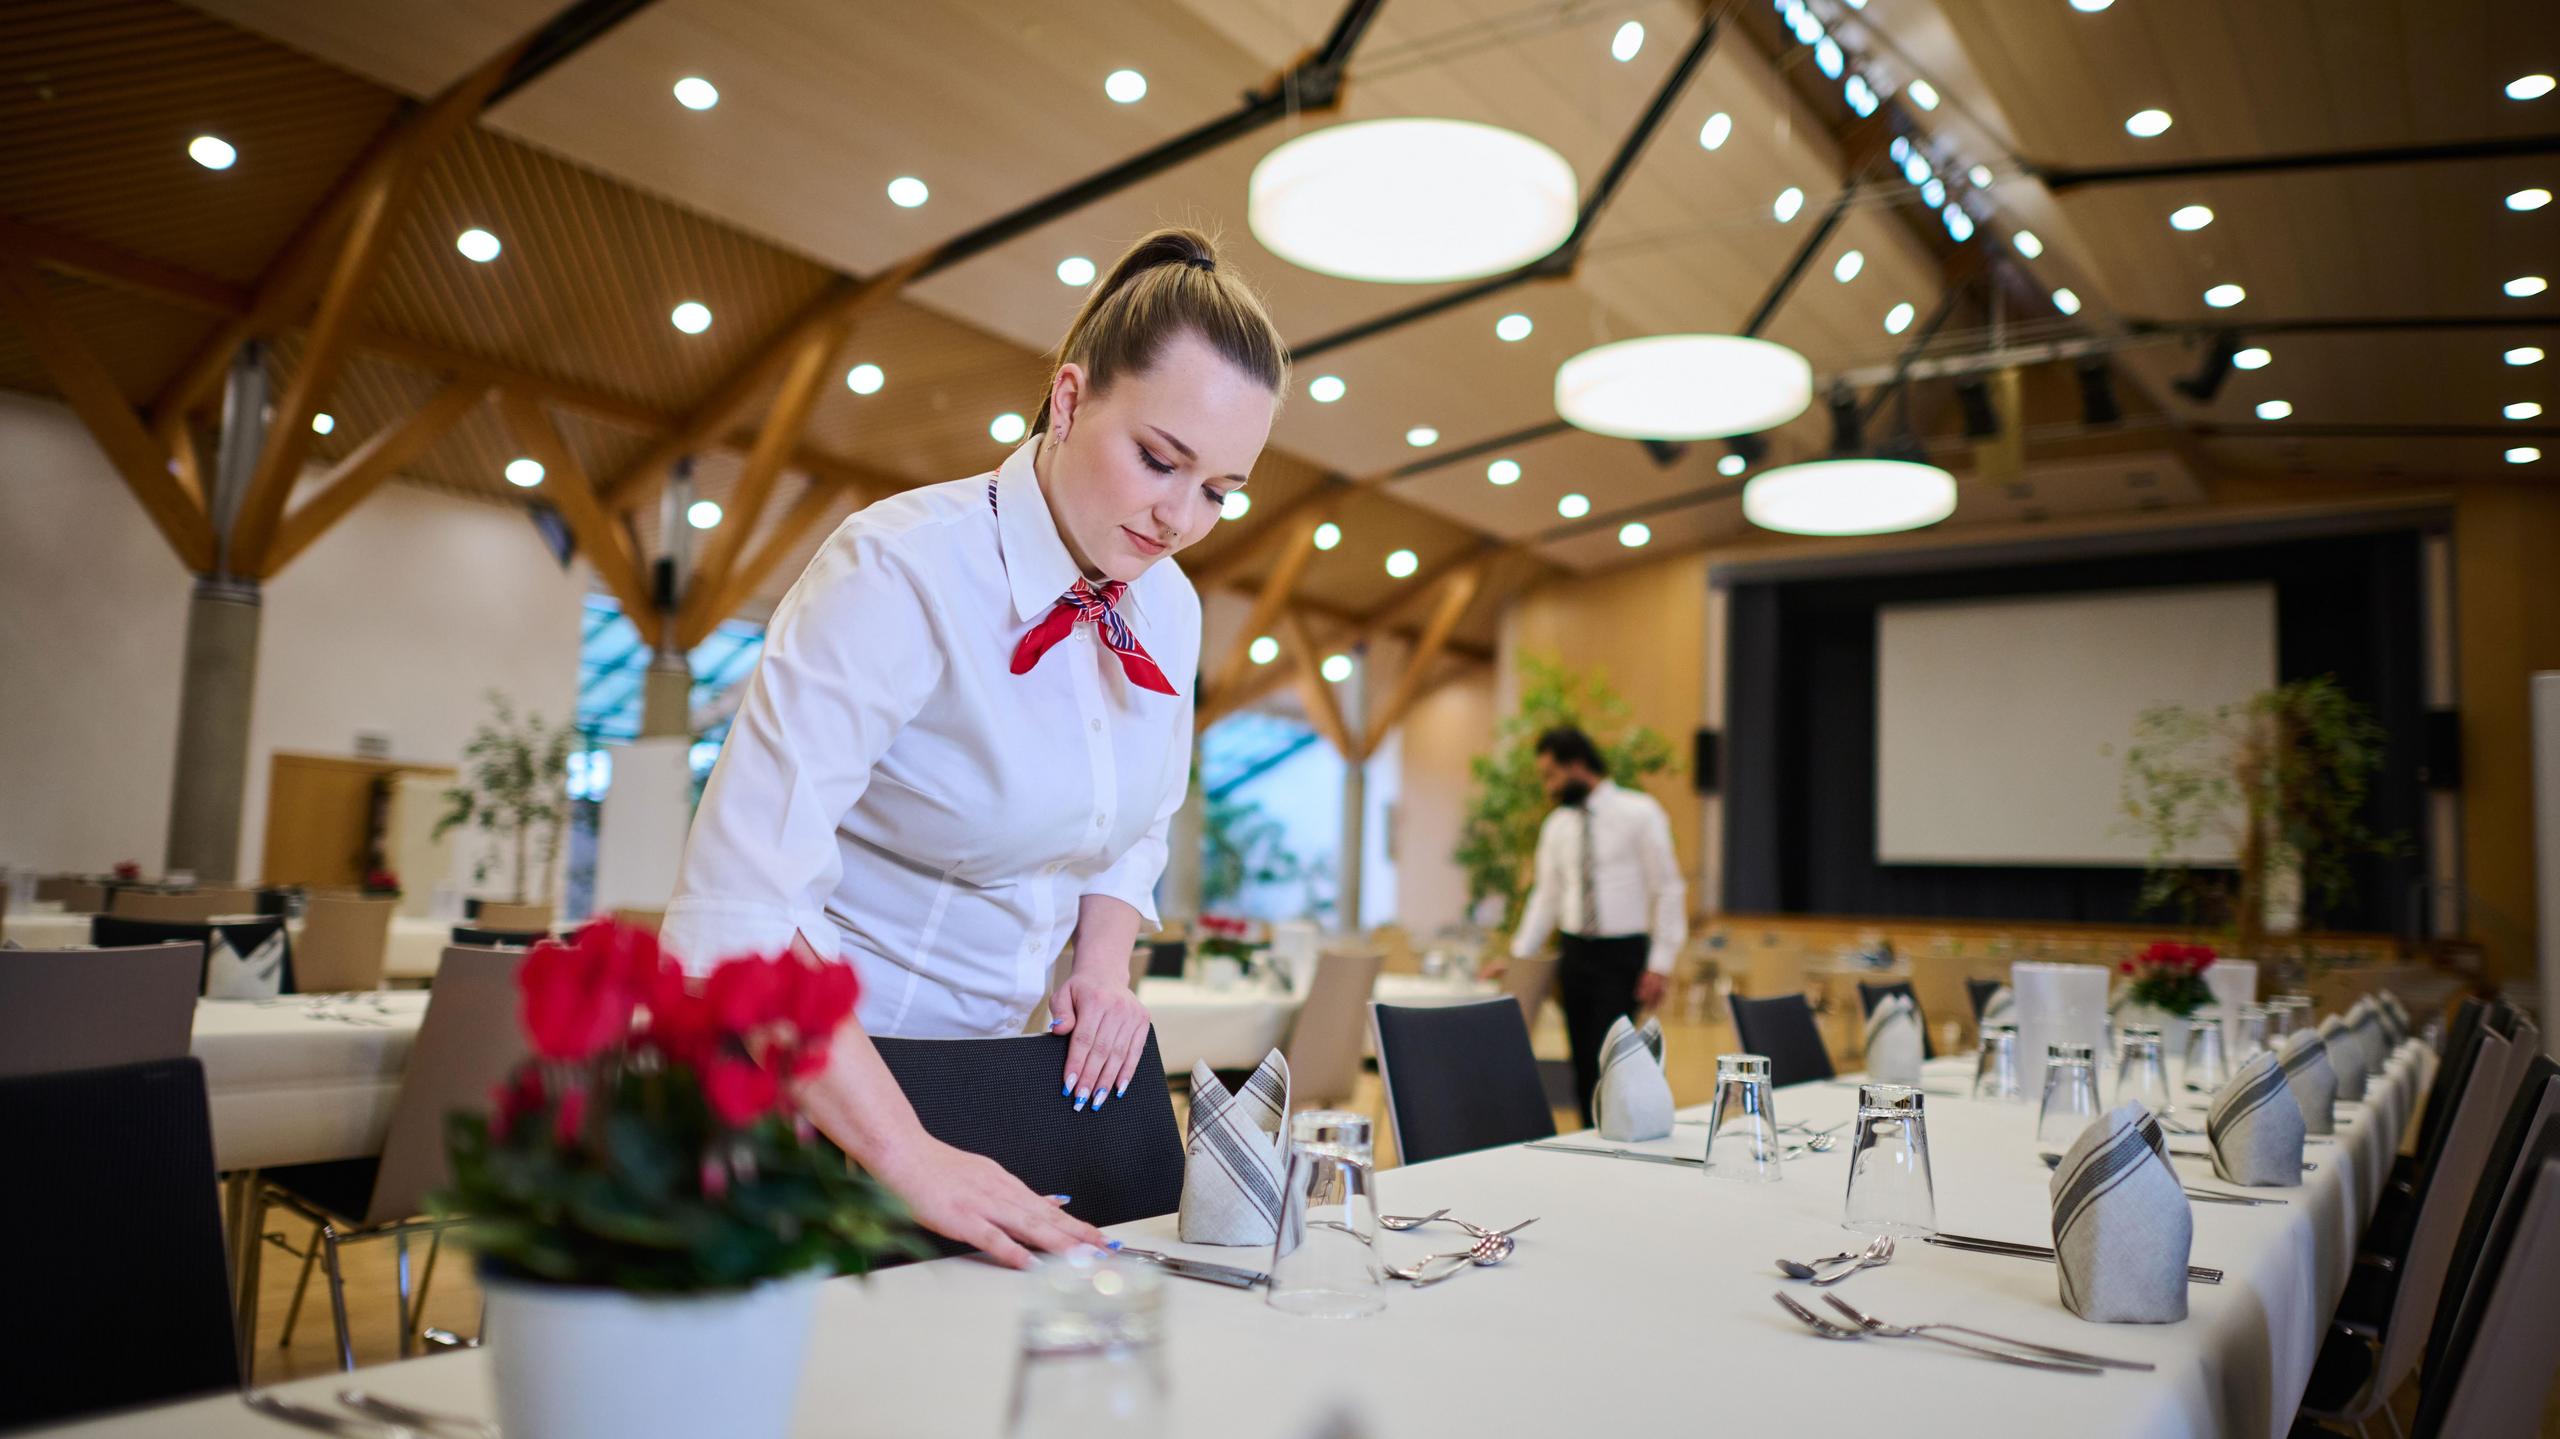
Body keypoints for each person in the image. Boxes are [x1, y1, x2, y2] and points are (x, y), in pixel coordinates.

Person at [660, 227, 1287, 1266]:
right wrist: (906, 1151)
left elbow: (1136, 817)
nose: (1182, 517)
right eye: (1160, 460)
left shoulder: (1167, 609)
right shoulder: (897, 571)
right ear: (1072, 398)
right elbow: (740, 906)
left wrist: (1102, 963)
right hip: (822, 1088)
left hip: (1003, 1082)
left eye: (1221, 489)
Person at [1501, 726, 1686, 1122]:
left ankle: (1620, 1136)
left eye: (1551, 774)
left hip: (1622, 953)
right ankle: (1591, 1141)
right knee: (1582, 1063)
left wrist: (1660, 963)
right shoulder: (1557, 826)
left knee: (1614, 1060)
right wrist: (1519, 957)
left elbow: (1668, 889)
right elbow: (1545, 896)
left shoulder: (1639, 812)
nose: (1548, 786)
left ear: (1578, 764)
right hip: (1575, 954)